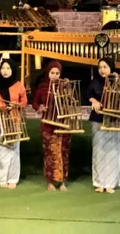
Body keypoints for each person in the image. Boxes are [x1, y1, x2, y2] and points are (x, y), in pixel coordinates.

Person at [0, 58, 27, 189]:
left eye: (8, 68)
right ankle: (0, 178)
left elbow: (24, 102)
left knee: (13, 150)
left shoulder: (19, 85)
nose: (5, 71)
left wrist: (17, 105)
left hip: (13, 121)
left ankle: (12, 178)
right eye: (3, 68)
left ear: (13, 70)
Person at [33, 61, 71, 191]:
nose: (54, 76)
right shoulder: (42, 87)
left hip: (63, 125)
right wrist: (40, 108)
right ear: (47, 73)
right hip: (48, 126)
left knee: (63, 153)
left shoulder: (64, 86)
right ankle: (50, 181)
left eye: (57, 73)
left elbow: (71, 100)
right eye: (52, 73)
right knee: (50, 154)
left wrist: (67, 88)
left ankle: (62, 182)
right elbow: (35, 103)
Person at [87, 57, 120, 194]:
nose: (102, 70)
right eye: (100, 67)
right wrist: (93, 100)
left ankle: (111, 183)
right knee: (99, 150)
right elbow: (88, 94)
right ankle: (100, 182)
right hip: (98, 119)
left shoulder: (118, 81)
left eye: (105, 67)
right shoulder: (94, 82)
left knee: (113, 151)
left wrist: (117, 81)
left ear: (111, 68)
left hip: (114, 119)